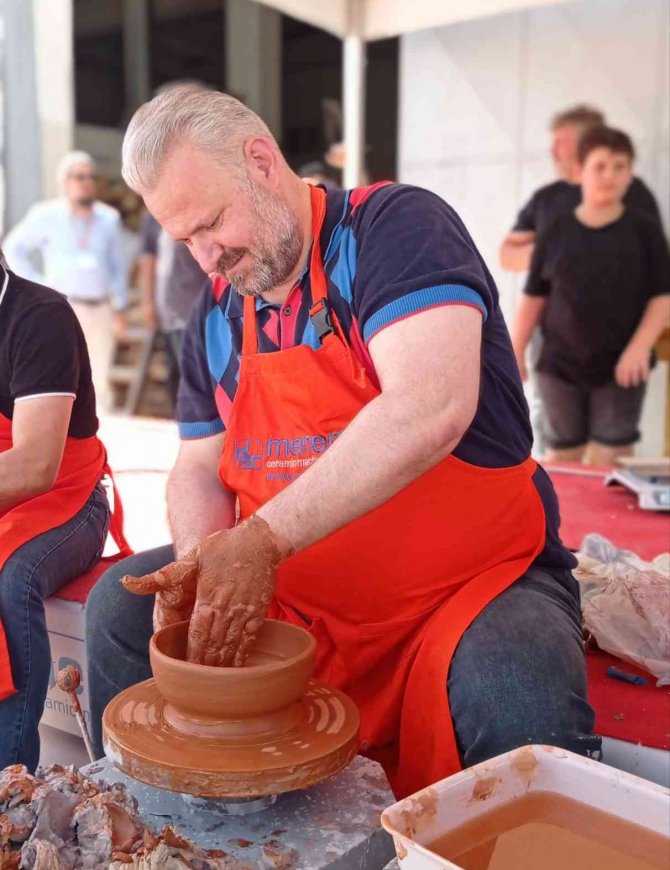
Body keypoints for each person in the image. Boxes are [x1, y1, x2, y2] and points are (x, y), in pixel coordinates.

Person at [86, 88, 600, 799]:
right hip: (302, 598)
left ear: (261, 163)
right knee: (120, 607)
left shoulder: (394, 228)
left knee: (515, 686)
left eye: (212, 223)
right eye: (186, 241)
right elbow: (199, 467)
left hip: (464, 591)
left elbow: (431, 405)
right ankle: (150, 836)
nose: (208, 260)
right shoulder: (216, 309)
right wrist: (204, 564)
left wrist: (260, 539)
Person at [0, 251, 110, 771]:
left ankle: (12, 778)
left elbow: (34, 467)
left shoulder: (39, 317)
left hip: (71, 502)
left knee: (10, 577)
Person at [511, 127, 670, 466]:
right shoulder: (554, 230)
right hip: (558, 367)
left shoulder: (645, 231)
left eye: (619, 166)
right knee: (561, 458)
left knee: (613, 461)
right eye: (600, 166)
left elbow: (663, 295)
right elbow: (534, 296)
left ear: (630, 174)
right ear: (579, 172)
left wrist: (640, 347)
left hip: (621, 368)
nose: (609, 175)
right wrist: (516, 349)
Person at [3, 151, 129, 411]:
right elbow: (14, 247)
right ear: (65, 181)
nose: (86, 182)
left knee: (100, 376)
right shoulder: (46, 214)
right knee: (61, 372)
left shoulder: (109, 218)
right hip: (61, 308)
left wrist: (121, 307)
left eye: (91, 177)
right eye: (79, 176)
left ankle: (96, 440)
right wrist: (37, 287)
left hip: (99, 307)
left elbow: (118, 268)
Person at [500, 105, 663, 273]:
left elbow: (655, 259)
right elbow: (507, 256)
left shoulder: (631, 190)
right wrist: (549, 250)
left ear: (588, 143)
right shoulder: (546, 197)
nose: (552, 151)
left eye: (560, 143)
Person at [138, 212, 208, 407]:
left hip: (197, 305)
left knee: (194, 371)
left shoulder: (192, 208)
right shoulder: (151, 217)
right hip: (168, 307)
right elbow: (148, 259)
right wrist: (148, 302)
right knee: (176, 370)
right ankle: (181, 423)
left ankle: (201, 423)